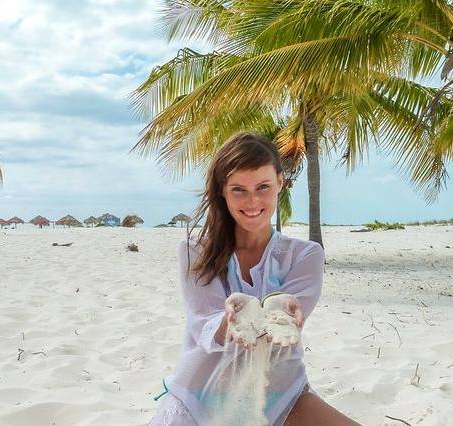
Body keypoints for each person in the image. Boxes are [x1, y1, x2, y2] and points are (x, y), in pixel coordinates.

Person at [149, 132, 360, 425]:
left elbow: (287, 319)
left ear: (281, 183)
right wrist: (232, 318)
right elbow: (203, 325)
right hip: (200, 394)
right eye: (239, 190)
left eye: (263, 187)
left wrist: (283, 310)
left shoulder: (305, 255)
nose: (253, 201)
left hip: (280, 393)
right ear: (222, 190)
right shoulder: (195, 250)